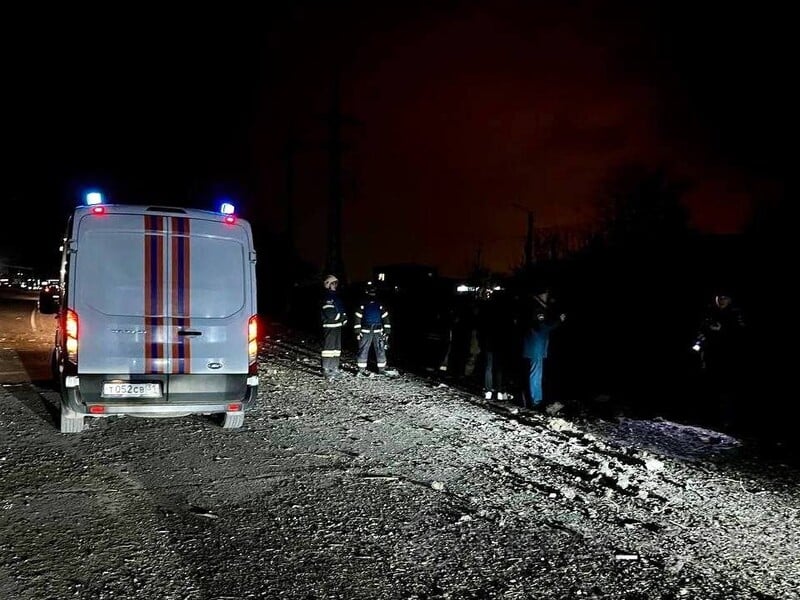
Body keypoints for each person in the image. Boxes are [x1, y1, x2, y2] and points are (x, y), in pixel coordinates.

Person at [692, 291, 747, 428]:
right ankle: (706, 417)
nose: (722, 300)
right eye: (719, 297)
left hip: (728, 357)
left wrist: (722, 329)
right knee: (707, 385)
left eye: (725, 297)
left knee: (726, 388)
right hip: (710, 354)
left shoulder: (735, 313)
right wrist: (700, 342)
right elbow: (701, 329)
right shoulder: (709, 311)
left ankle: (726, 421)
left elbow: (740, 333)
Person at [520, 286, 566, 409]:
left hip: (535, 345)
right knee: (535, 373)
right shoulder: (538, 308)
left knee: (534, 373)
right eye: (545, 293)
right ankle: (536, 401)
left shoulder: (535, 306)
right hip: (536, 346)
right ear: (540, 294)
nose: (547, 296)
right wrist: (558, 321)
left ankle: (533, 399)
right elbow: (543, 327)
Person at [476, 287, 514, 401]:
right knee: (499, 368)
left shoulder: (487, 309)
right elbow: (509, 327)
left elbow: (481, 326)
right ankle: (499, 391)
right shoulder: (505, 311)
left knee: (488, 367)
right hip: (501, 342)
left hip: (489, 342)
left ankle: (488, 391)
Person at [353, 282, 392, 376]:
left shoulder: (378, 304)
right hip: (367, 330)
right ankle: (362, 370)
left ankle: (381, 369)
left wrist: (387, 331)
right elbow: (357, 317)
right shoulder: (364, 303)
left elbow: (385, 317)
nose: (372, 293)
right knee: (366, 349)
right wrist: (357, 331)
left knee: (378, 349)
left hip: (376, 330)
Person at [320, 274, 347, 379]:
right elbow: (330, 312)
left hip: (337, 325)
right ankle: (326, 368)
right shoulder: (327, 296)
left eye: (336, 283)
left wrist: (343, 318)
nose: (335, 285)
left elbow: (341, 309)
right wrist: (340, 317)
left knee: (336, 347)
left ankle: (334, 367)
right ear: (328, 284)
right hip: (330, 325)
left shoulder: (335, 296)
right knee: (329, 347)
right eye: (333, 283)